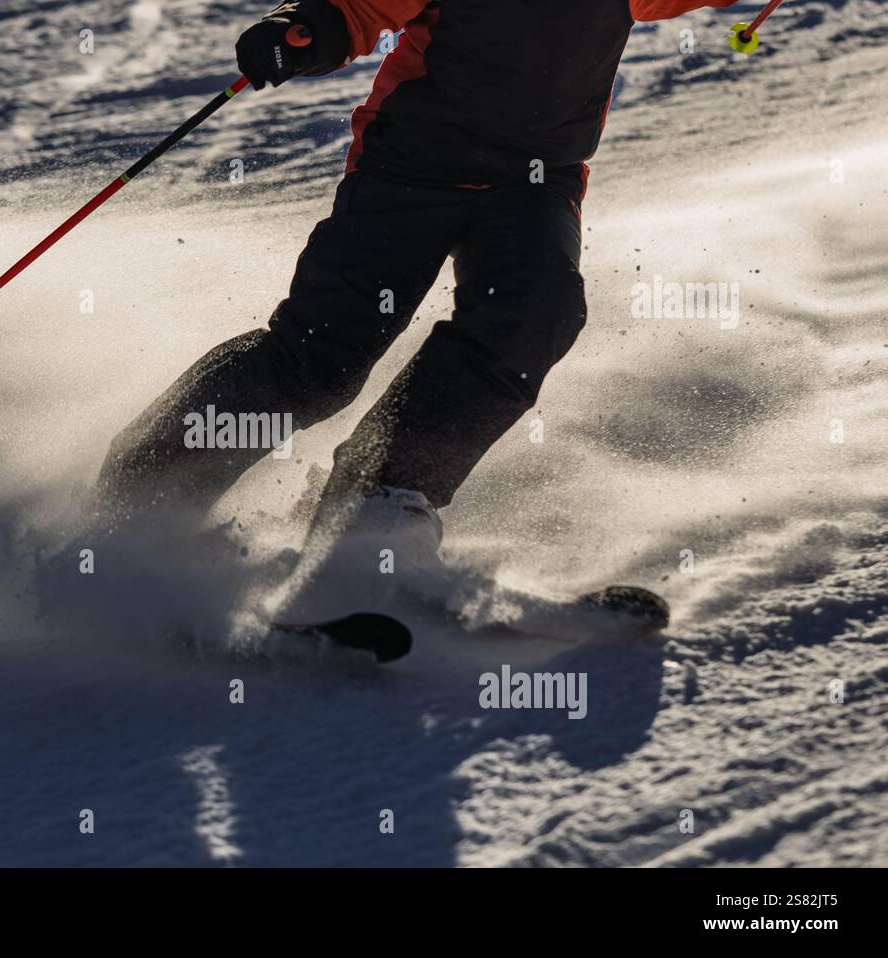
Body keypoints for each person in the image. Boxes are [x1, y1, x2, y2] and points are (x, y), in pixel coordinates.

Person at [94, 0, 740, 616]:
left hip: (535, 185)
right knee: (323, 356)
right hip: (408, 169)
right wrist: (303, 27)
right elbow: (358, 8)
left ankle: (376, 509)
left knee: (532, 314)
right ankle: (146, 497)